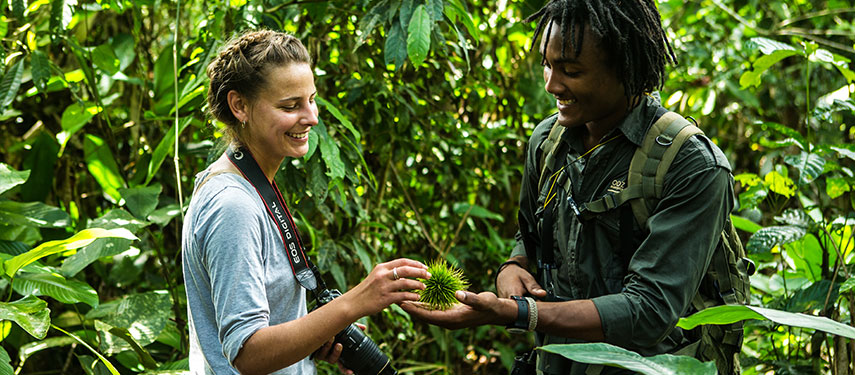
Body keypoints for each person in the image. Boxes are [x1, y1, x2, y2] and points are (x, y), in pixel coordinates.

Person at [401, 1, 737, 374]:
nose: (551, 84)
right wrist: (512, 267)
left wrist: (519, 313)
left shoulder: (691, 165)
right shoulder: (547, 142)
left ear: (626, 68)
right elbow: (530, 234)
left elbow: (650, 310)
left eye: (571, 71)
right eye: (547, 64)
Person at [182, 29, 430, 375]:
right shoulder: (232, 205)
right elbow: (248, 354)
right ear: (240, 106)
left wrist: (316, 332)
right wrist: (353, 304)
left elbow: (263, 328)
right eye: (290, 105)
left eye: (311, 100)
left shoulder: (249, 183)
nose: (312, 117)